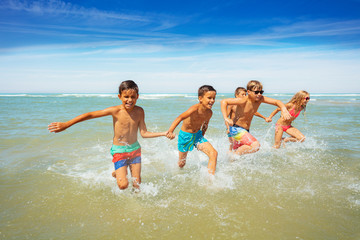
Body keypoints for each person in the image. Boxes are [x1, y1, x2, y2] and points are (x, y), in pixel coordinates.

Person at [48, 80, 169, 191]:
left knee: (137, 184)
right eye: (126, 96)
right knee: (123, 185)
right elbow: (90, 115)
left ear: (137, 97)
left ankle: (136, 206)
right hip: (119, 151)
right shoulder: (115, 111)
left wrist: (163, 133)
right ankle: (116, 172)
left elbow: (144, 133)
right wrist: (67, 124)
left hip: (135, 150)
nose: (129, 100)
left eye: (133, 97)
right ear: (119, 97)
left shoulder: (140, 111)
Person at [220, 80, 291, 155]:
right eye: (256, 92)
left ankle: (231, 159)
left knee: (237, 153)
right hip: (236, 129)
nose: (259, 94)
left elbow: (277, 102)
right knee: (255, 145)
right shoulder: (243, 100)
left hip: (245, 130)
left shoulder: (260, 99)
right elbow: (224, 102)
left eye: (261, 92)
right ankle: (235, 155)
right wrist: (226, 118)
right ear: (249, 92)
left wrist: (283, 109)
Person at [166, 85, 218, 175]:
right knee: (182, 164)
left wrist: (202, 136)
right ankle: (177, 173)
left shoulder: (209, 113)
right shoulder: (194, 109)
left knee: (214, 154)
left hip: (198, 136)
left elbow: (205, 125)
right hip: (185, 136)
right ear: (200, 98)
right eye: (209, 98)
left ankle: (210, 180)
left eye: (214, 98)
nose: (212, 101)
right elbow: (180, 117)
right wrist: (170, 131)